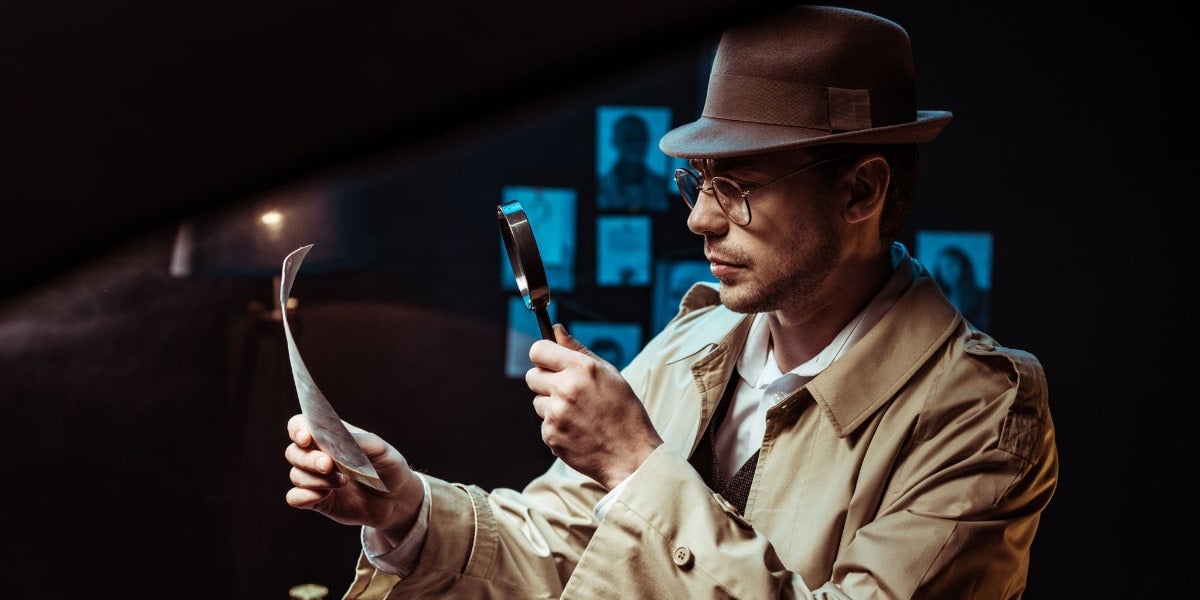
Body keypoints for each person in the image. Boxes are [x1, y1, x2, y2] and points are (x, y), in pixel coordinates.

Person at [284, 5, 1058, 598]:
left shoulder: (982, 412)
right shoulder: (699, 342)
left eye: (740, 186)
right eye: (699, 181)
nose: (699, 218)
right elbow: (558, 548)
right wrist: (407, 510)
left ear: (861, 190)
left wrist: (634, 461)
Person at [596, 112, 670, 211]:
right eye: (629, 139)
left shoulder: (662, 186)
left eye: (641, 138)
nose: (637, 145)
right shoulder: (600, 187)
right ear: (615, 141)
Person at [933, 243, 991, 330]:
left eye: (952, 264)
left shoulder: (982, 297)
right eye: (944, 267)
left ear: (963, 266)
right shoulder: (935, 297)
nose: (949, 270)